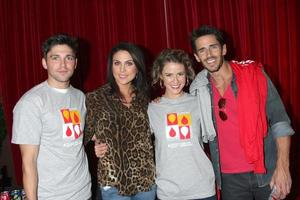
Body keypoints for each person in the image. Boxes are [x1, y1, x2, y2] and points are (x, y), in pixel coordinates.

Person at [189, 25, 295, 200]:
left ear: (224, 49)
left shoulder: (254, 75)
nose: (209, 55)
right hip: (229, 179)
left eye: (213, 47)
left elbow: (280, 122)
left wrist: (283, 167)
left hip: (265, 171)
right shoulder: (198, 90)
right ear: (196, 56)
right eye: (202, 50)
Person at [11, 34, 91, 199]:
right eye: (55, 58)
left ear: (75, 63)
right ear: (44, 63)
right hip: (50, 195)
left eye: (68, 58)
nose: (63, 64)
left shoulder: (80, 97)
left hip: (83, 191)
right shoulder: (31, 102)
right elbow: (28, 162)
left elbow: (76, 139)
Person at [84, 42, 156, 200]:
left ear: (137, 68)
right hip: (113, 183)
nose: (122, 70)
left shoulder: (146, 99)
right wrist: (96, 141)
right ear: (111, 66)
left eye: (129, 63)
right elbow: (83, 135)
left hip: (146, 181)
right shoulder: (95, 98)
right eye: (117, 63)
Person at [148, 49, 216, 200]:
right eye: (169, 75)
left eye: (180, 74)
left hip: (202, 188)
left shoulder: (199, 102)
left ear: (186, 75)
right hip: (168, 192)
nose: (175, 80)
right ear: (161, 76)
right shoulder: (152, 109)